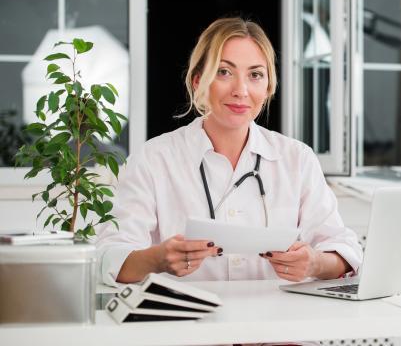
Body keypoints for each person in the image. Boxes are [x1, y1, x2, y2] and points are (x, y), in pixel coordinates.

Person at [96, 17, 362, 287]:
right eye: (224, 72)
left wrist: (314, 262)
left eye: (255, 75)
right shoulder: (153, 159)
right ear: (199, 81)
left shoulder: (297, 160)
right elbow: (108, 259)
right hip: (186, 325)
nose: (241, 90)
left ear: (268, 87)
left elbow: (346, 252)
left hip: (278, 325)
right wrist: (157, 259)